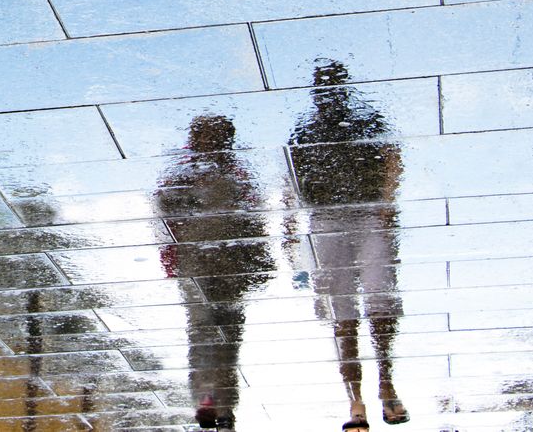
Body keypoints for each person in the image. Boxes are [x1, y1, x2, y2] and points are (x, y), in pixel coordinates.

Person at [289, 60, 410, 428]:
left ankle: (384, 380)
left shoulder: (363, 120)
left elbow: (391, 156)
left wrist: (387, 201)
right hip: (327, 217)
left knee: (378, 295)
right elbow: (293, 175)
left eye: (334, 83)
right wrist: (294, 227)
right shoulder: (306, 128)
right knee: (342, 305)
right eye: (323, 85)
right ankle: (356, 397)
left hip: (365, 212)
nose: (328, 91)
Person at [156, 114, 273, 429]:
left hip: (231, 258)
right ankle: (208, 398)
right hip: (195, 255)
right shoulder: (183, 171)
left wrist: (259, 256)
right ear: (196, 139)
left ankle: (223, 402)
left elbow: (255, 216)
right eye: (206, 135)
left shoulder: (237, 174)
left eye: (217, 136)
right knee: (203, 325)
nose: (212, 141)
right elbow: (165, 209)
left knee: (229, 330)